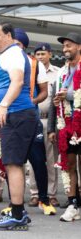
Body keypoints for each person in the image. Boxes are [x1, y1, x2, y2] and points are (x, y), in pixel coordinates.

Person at [0, 22, 37, 231]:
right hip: (14, 116)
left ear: (9, 35)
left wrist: (3, 105)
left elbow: (17, 82)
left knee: (14, 164)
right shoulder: (9, 54)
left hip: (16, 114)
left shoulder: (13, 53)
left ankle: (17, 215)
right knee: (12, 163)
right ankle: (19, 212)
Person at [10, 28, 56, 216]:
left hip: (31, 119)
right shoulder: (4, 63)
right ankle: (15, 203)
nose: (15, 48)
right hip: (10, 121)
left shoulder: (35, 64)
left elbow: (44, 92)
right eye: (13, 44)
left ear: (24, 46)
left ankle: (44, 199)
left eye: (18, 45)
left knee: (38, 160)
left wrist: (32, 102)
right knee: (13, 162)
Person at [48, 32, 81, 222]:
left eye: (69, 45)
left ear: (79, 47)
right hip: (66, 125)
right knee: (68, 165)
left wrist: (68, 96)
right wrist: (52, 129)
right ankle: (72, 203)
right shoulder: (62, 73)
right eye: (64, 46)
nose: (65, 49)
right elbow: (54, 101)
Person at [33, 42, 60, 207]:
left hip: (49, 121)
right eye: (38, 54)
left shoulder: (57, 73)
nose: (41, 57)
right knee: (34, 159)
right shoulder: (30, 72)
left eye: (43, 54)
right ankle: (35, 194)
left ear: (50, 54)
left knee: (51, 159)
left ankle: (51, 194)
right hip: (32, 120)